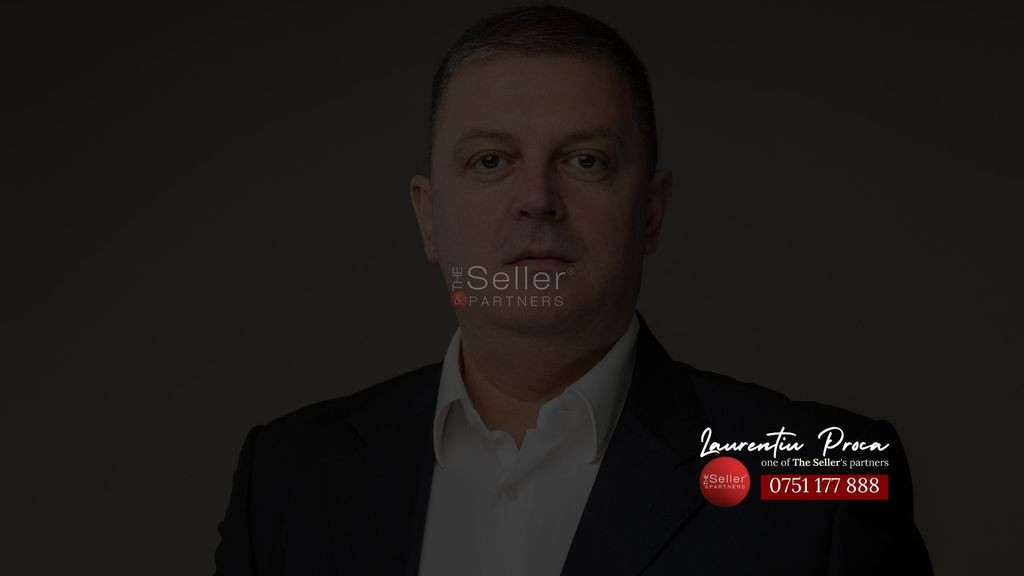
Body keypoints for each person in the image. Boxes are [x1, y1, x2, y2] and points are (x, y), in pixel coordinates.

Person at [214, 5, 932, 575]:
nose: (537, 199)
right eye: (491, 160)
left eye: (585, 160)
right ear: (429, 219)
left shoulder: (826, 475)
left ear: (650, 213)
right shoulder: (286, 477)